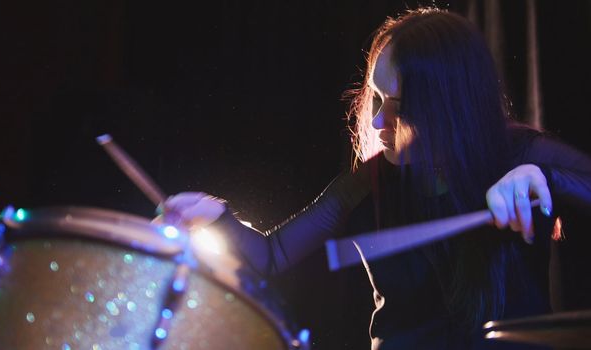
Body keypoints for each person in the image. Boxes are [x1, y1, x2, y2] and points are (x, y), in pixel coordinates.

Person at [157, 7, 591, 349]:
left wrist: (545, 177)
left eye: (400, 105)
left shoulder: (518, 153)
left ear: (449, 107)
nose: (380, 119)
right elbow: (271, 257)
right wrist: (215, 217)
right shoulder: (369, 181)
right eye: (378, 97)